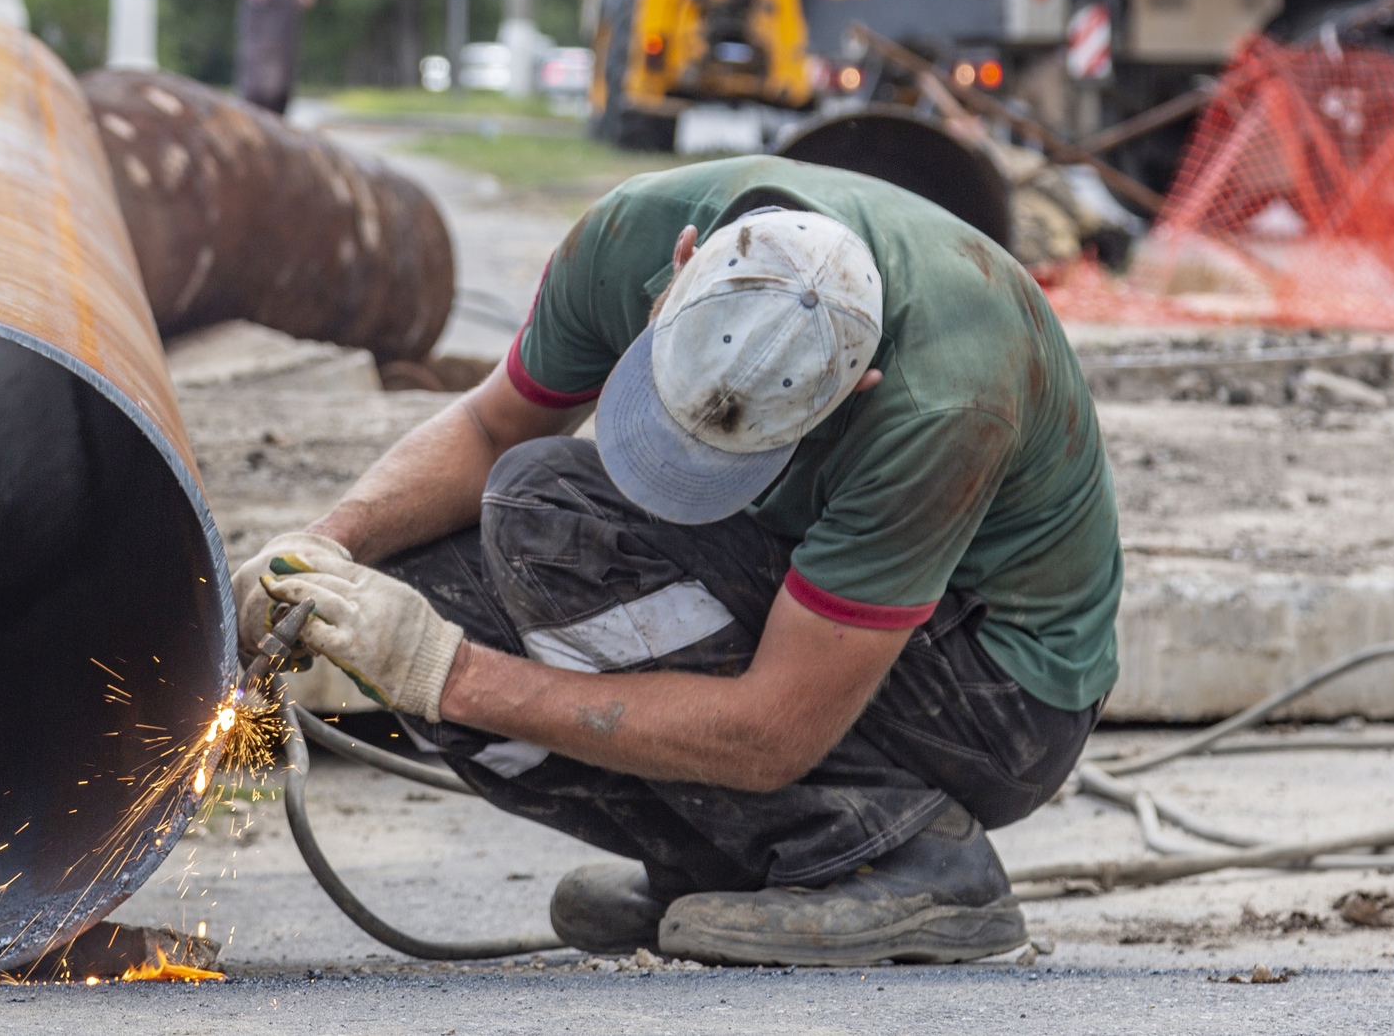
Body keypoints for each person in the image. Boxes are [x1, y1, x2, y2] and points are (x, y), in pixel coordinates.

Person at [233, 156, 1121, 968]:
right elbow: (486, 427)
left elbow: (776, 727)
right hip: (812, 593)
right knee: (431, 572)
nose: (683, 469)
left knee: (546, 514)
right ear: (684, 263)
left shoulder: (942, 401)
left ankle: (910, 857)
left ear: (857, 385)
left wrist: (445, 672)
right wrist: (329, 542)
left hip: (995, 694)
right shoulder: (626, 237)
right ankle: (717, 855)